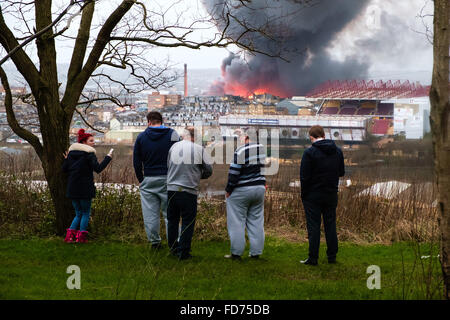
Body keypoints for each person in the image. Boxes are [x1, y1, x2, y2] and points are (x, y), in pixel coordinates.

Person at [133, 111, 180, 249]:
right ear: (162, 120)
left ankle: (155, 242)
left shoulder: (141, 137)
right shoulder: (173, 134)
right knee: (170, 213)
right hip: (169, 178)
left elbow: (136, 161)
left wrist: (141, 179)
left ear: (148, 122)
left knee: (150, 213)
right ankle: (174, 242)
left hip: (148, 178)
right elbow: (179, 157)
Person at [299, 125, 345, 265]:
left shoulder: (309, 153)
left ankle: (313, 257)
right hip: (331, 194)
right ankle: (332, 256)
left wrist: (304, 194)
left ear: (311, 137)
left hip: (313, 195)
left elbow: (304, 177)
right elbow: (341, 172)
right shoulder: (337, 151)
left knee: (314, 226)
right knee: (330, 224)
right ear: (324, 135)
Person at [166, 127, 213, 260]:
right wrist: (198, 176)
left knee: (172, 220)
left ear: (184, 135)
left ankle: (173, 249)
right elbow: (209, 170)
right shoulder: (199, 149)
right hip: (189, 190)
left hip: (172, 189)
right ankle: (184, 252)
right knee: (188, 221)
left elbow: (168, 166)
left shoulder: (173, 148)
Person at [63, 129, 113, 243]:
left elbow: (64, 169)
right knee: (85, 213)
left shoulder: (71, 153)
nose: (93, 142)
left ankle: (69, 237)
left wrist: (66, 160)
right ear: (84, 142)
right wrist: (108, 158)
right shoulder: (89, 154)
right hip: (85, 188)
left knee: (78, 213)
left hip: (72, 188)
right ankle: (81, 238)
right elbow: (98, 169)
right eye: (91, 141)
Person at [224, 133, 266, 261]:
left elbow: (234, 173)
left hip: (242, 190)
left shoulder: (241, 150)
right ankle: (256, 253)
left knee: (237, 221)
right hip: (259, 189)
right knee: (257, 221)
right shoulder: (262, 150)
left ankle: (236, 253)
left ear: (247, 137)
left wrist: (229, 189)